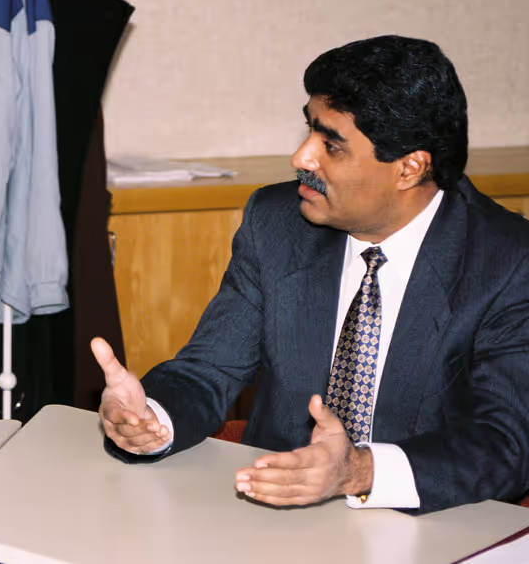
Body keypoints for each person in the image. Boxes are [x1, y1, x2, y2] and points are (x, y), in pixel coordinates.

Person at [93, 35, 529, 515]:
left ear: (410, 168)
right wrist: (151, 418)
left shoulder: (508, 263)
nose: (302, 157)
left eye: (332, 145)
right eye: (309, 130)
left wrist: (359, 471)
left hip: (430, 523)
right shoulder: (278, 223)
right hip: (274, 512)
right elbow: (210, 369)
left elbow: (505, 443)